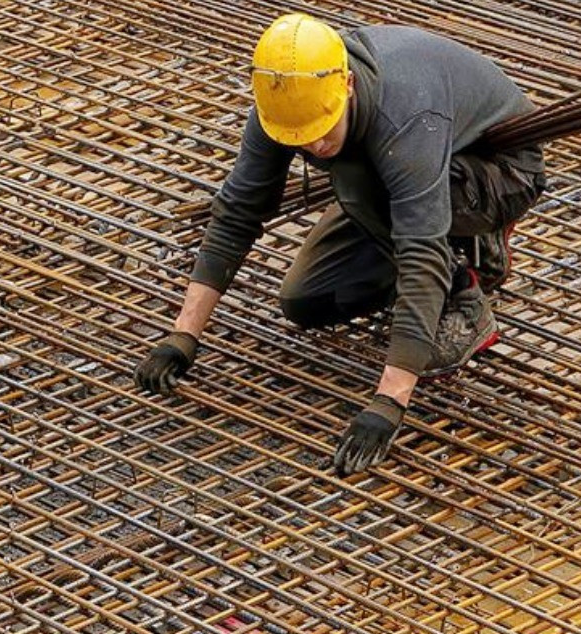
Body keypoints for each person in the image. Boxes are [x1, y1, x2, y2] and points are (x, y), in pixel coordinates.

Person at [134, 14, 547, 477]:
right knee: (307, 301)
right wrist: (182, 335)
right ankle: (456, 250)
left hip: (497, 170)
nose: (312, 143)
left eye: (322, 128)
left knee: (358, 179)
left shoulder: (404, 114)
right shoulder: (283, 101)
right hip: (395, 177)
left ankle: (464, 289)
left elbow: (420, 249)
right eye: (300, 138)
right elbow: (237, 210)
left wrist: (389, 402)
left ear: (347, 85)